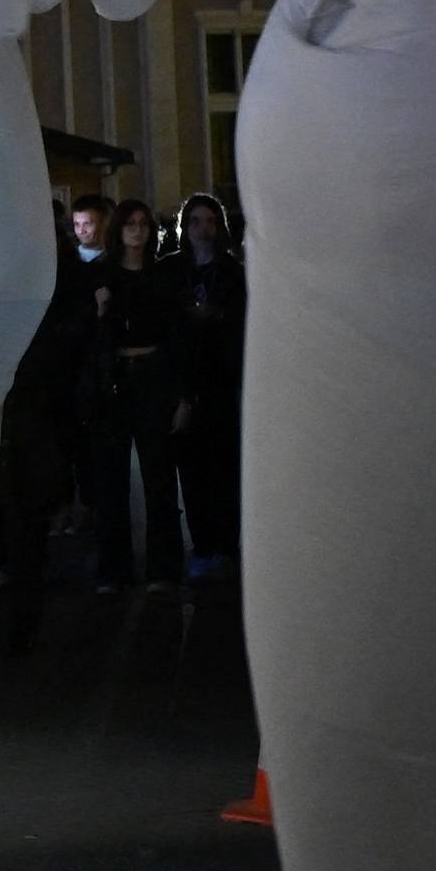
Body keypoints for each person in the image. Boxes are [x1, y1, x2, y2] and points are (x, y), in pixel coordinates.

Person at [0, 205, 91, 652]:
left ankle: (20, 626)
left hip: (26, 415)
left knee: (21, 526)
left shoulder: (57, 275)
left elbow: (68, 343)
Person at [84, 199, 184, 595]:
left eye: (143, 224)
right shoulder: (102, 275)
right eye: (131, 224)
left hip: (152, 376)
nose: (138, 231)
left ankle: (163, 566)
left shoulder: (160, 277)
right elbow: (84, 333)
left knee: (158, 475)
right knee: (111, 480)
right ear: (120, 229)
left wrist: (181, 393)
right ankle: (115, 568)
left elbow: (177, 336)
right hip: (115, 379)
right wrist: (97, 311)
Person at [170, 195, 248, 581]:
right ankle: (203, 544)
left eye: (210, 221)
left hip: (222, 382)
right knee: (194, 471)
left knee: (226, 469)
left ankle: (226, 544)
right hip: (186, 381)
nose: (203, 228)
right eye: (196, 221)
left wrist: (214, 319)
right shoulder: (173, 272)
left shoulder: (232, 273)